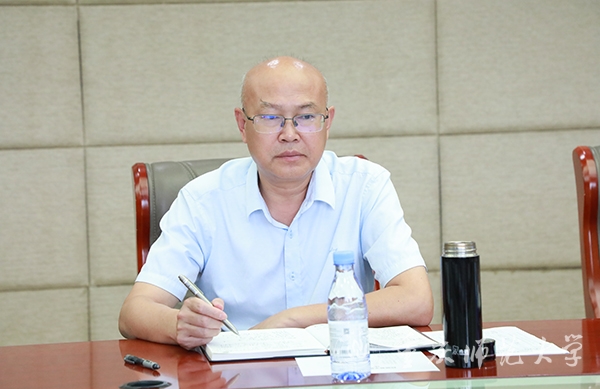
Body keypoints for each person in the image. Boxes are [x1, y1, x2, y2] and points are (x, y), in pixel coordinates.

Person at [119, 56, 433, 350]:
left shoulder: (364, 186)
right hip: (237, 376)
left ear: (327, 122)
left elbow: (416, 300)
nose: (289, 134)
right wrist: (180, 324)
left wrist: (291, 320)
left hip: (339, 372)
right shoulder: (202, 200)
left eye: (306, 117)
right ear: (242, 125)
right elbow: (134, 312)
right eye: (270, 118)